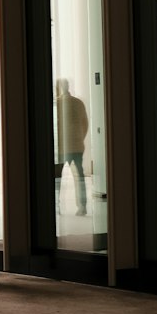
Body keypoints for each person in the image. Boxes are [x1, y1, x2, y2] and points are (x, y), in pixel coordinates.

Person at [55, 79, 89, 216]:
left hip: (62, 147)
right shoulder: (78, 103)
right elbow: (85, 124)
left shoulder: (57, 103)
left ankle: (56, 206)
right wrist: (80, 138)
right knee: (79, 178)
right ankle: (82, 206)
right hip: (77, 146)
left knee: (57, 178)